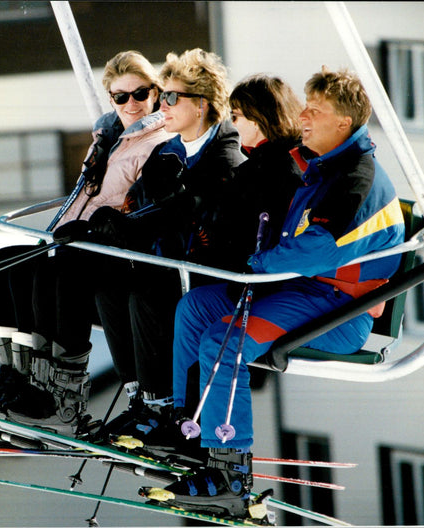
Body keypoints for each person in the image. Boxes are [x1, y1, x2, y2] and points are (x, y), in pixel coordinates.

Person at [147, 67, 406, 521]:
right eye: (304, 106)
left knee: (222, 342)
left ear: (342, 123)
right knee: (195, 307)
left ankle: (229, 477)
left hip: (336, 309)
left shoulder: (356, 179)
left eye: (315, 111)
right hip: (297, 292)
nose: (302, 118)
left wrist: (258, 262)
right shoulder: (321, 167)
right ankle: (189, 434)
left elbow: (316, 249)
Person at [0, 51, 171, 436]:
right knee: (5, 260)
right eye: (121, 97)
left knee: (55, 269)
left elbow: (137, 208)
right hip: (81, 241)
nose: (132, 104)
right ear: (111, 100)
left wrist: (96, 230)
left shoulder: (158, 140)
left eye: (140, 93)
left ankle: (62, 397)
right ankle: (17, 378)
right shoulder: (106, 138)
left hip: (116, 251)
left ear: (155, 92)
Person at [82, 49, 246, 450]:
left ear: (201, 105)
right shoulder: (172, 151)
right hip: (174, 262)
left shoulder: (224, 157)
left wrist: (138, 224)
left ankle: (161, 407)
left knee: (147, 294)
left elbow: (194, 217)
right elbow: (141, 202)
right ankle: (139, 396)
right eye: (165, 96)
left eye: (171, 97)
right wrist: (120, 222)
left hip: (210, 274)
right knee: (109, 285)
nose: (163, 106)